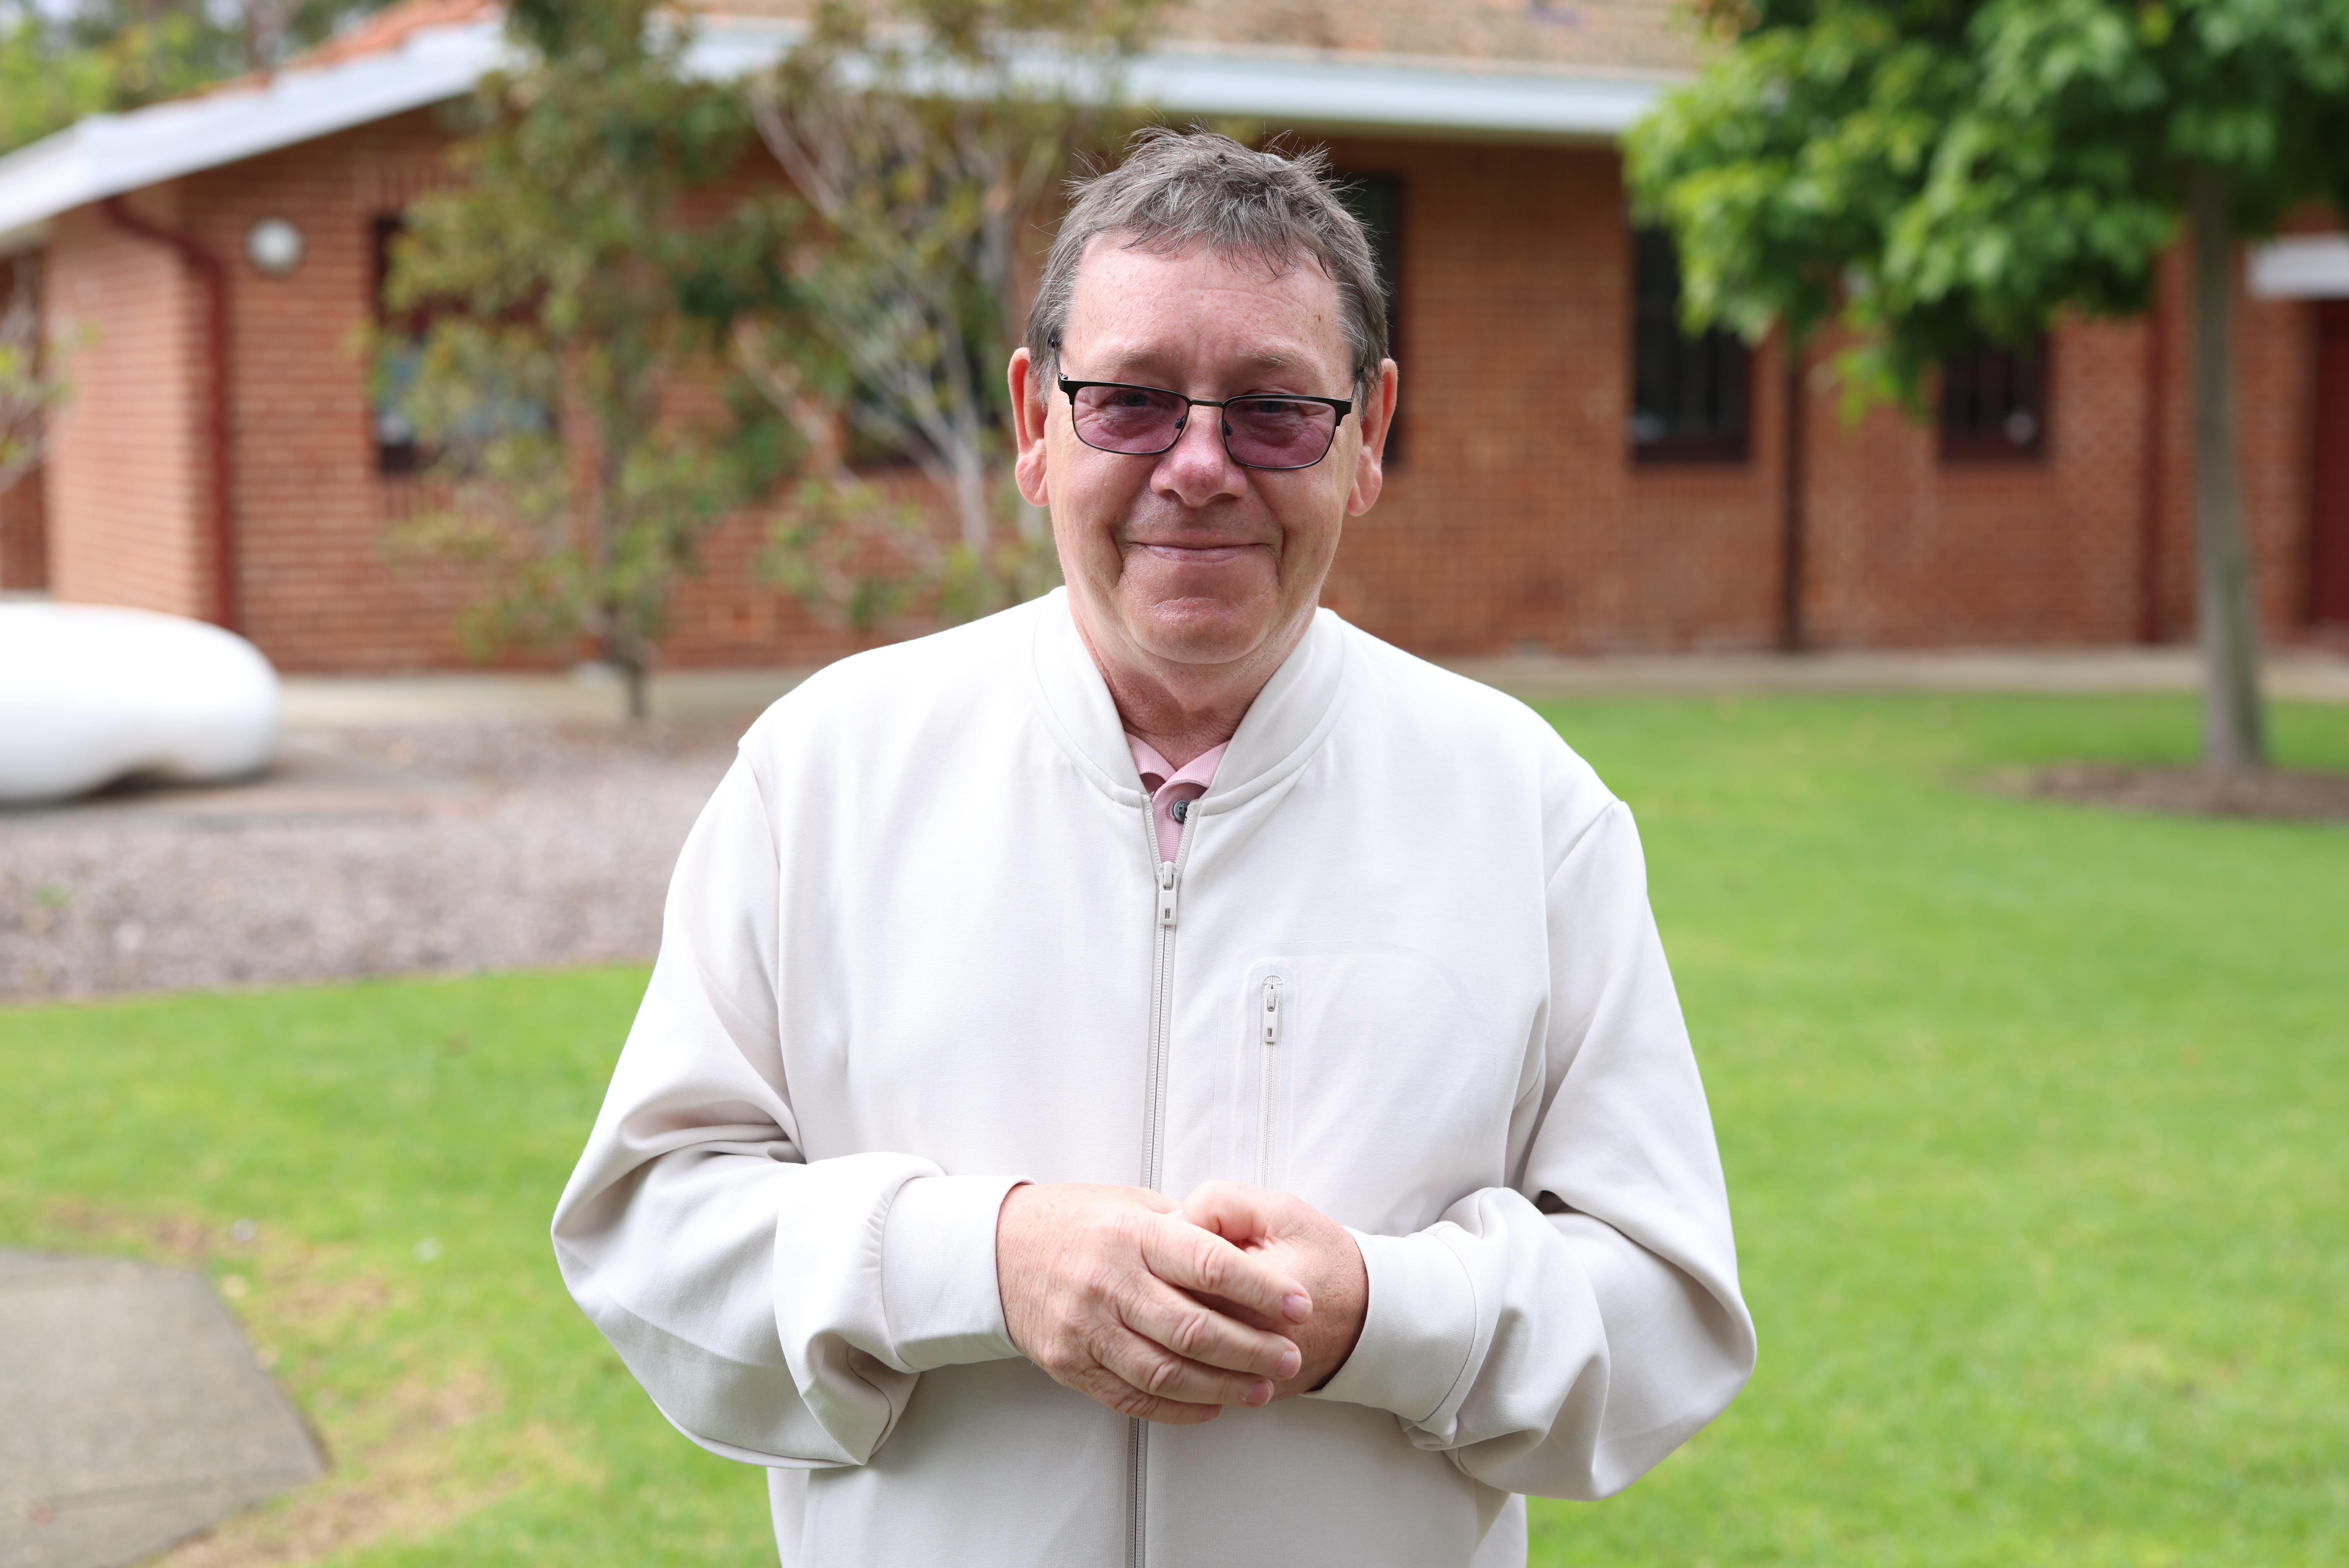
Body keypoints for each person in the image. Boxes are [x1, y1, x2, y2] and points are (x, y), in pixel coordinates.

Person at [552, 128, 1755, 1568]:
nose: (1199, 467)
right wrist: (983, 1263)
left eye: (1271, 410)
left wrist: (1379, 1317)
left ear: (1367, 434)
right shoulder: (825, 774)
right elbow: (648, 1236)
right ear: (1034, 421)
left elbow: (1669, 1320)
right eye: (1130, 401)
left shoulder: (1526, 811)